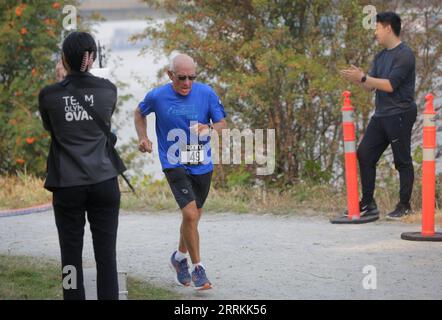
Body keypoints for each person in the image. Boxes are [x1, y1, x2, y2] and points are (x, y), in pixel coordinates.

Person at [38, 32, 121, 299]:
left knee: (71, 257)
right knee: (106, 255)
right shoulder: (109, 90)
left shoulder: (49, 95)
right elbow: (104, 123)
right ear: (93, 57)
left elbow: (52, 130)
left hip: (67, 185)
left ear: (64, 58)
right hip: (105, 183)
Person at [134, 54, 227, 290]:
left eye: (191, 78)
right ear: (170, 75)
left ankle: (178, 258)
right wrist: (143, 137)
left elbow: (222, 124)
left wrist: (210, 127)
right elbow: (139, 112)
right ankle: (198, 269)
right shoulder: (157, 96)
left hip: (201, 163)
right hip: (173, 161)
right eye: (181, 78)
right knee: (190, 215)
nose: (187, 83)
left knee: (193, 216)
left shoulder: (206, 93)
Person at [340, 12, 417, 219]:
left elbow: (390, 85)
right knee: (364, 153)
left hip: (400, 112)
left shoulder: (405, 55)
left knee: (402, 160)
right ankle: (368, 204)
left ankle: (404, 205)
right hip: (381, 114)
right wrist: (360, 79)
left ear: (388, 28)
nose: (375, 33)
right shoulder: (380, 56)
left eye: (377, 28)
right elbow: (372, 87)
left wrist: (365, 77)